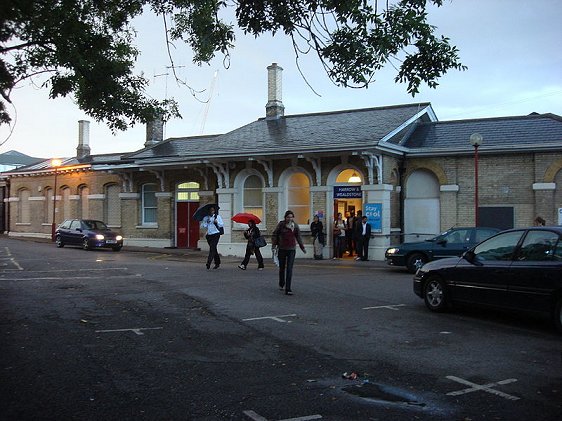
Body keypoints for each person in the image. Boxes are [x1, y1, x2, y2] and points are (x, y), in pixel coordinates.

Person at [272, 210, 306, 295]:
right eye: (288, 217)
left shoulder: (295, 226)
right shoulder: (281, 225)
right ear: (285, 217)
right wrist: (274, 245)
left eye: (291, 217)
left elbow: (298, 237)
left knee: (289, 269)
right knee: (282, 268)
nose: (289, 219)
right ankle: (281, 283)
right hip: (282, 248)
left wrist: (302, 247)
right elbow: (275, 234)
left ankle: (288, 289)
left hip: (291, 249)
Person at [201, 205, 223, 269]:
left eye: (213, 210)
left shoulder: (217, 217)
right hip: (209, 235)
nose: (212, 212)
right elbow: (202, 226)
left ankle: (208, 263)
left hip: (216, 234)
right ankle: (217, 262)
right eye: (210, 210)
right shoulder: (206, 218)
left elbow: (221, 224)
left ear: (214, 211)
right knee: (214, 249)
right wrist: (206, 223)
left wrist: (217, 222)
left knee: (212, 249)